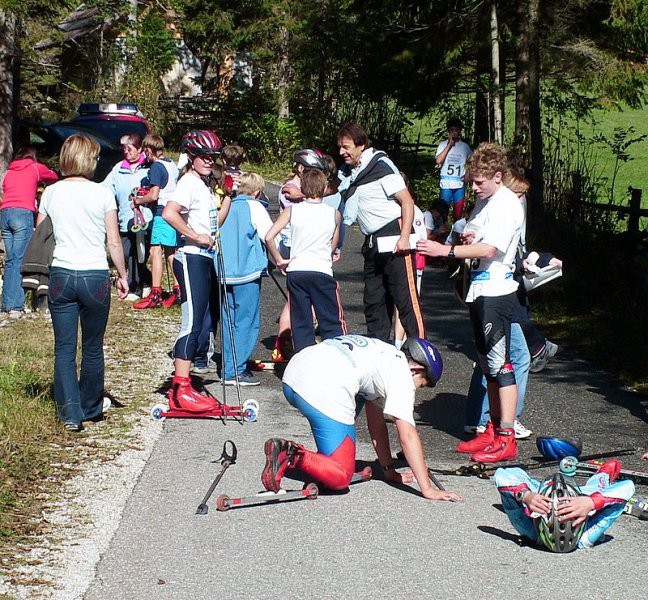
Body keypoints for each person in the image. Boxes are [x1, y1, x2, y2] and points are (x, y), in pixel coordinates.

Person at [417, 142, 524, 463]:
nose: (473, 187)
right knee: (488, 363)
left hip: (497, 292)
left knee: (501, 364)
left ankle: (507, 435)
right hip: (480, 291)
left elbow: (490, 249)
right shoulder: (487, 201)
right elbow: (476, 231)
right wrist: (466, 237)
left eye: (479, 182)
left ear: (498, 176)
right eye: (471, 182)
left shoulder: (507, 204)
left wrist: (444, 252)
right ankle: (492, 429)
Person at [261, 333, 462, 502]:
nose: (418, 389)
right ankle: (291, 454)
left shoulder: (383, 352)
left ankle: (323, 466)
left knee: (353, 406)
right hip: (322, 384)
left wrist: (389, 471)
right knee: (341, 477)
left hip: (293, 374)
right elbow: (407, 435)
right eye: (422, 384)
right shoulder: (401, 372)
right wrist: (427, 488)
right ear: (417, 370)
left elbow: (376, 425)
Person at [36, 134, 128, 432]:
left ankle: (70, 413)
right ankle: (90, 406)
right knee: (92, 347)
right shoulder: (102, 193)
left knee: (64, 348)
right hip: (94, 275)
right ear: (89, 160)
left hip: (62, 273)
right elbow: (113, 240)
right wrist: (123, 275)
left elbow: (42, 234)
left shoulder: (50, 193)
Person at [161, 130, 232, 410]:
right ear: (191, 156)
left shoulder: (203, 184)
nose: (208, 161)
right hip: (190, 257)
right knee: (191, 323)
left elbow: (213, 225)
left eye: (212, 157)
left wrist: (228, 196)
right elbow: (169, 213)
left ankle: (186, 385)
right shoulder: (188, 182)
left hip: (204, 257)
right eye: (203, 156)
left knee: (200, 320)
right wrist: (193, 235)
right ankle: (180, 388)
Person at [337, 123, 425, 343]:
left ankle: (422, 356)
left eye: (346, 147)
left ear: (361, 145)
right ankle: (378, 353)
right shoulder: (352, 172)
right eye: (340, 147)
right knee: (374, 301)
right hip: (372, 241)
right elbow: (331, 191)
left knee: (405, 300)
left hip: (394, 235)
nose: (341, 152)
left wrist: (404, 237)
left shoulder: (381, 165)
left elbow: (407, 201)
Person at [266, 168, 346, 353]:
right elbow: (333, 245)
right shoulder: (334, 214)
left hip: (297, 269)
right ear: (325, 187)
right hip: (321, 269)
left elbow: (269, 236)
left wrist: (279, 259)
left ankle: (302, 361)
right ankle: (335, 359)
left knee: (301, 321)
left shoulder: (292, 210)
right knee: (331, 320)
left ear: (302, 187)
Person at [494, 460, 635, 550]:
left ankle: (600, 479)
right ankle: (603, 474)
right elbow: (627, 487)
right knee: (599, 483)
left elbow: (502, 474)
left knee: (518, 476)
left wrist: (525, 495)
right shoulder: (586, 536)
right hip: (582, 495)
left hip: (540, 491)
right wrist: (591, 502)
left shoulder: (530, 530)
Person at [272, 149, 331, 361]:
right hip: (294, 245)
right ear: (300, 168)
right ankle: (284, 343)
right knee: (296, 302)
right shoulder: (291, 188)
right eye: (311, 170)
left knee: (298, 300)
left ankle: (291, 343)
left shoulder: (301, 188)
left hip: (299, 245)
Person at [218, 172, 273, 386]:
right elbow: (268, 235)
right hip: (246, 271)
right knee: (247, 322)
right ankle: (236, 370)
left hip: (224, 271)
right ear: (257, 192)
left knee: (229, 321)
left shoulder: (226, 204)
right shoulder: (254, 206)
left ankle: (228, 366)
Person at [1, 147, 58, 315]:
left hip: (4, 213)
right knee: (20, 260)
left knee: (10, 259)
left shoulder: (9, 171)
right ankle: (17, 305)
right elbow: (53, 176)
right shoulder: (34, 167)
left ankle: (7, 303)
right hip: (23, 212)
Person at [131, 135, 181, 309]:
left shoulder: (156, 167)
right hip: (174, 212)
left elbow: (154, 195)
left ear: (149, 149)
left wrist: (138, 200)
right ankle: (178, 289)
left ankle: (156, 292)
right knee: (170, 251)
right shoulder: (171, 165)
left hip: (161, 212)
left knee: (155, 250)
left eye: (146, 150)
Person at [102, 133, 151, 300]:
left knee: (139, 255)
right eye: (124, 149)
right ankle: (145, 281)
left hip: (144, 220)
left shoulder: (149, 167)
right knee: (126, 253)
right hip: (125, 220)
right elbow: (106, 188)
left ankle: (134, 287)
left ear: (140, 149)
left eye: (130, 149)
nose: (126, 152)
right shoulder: (119, 168)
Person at [435, 117, 472, 221]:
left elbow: (471, 162)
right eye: (452, 130)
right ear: (448, 131)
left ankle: (455, 234)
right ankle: (441, 234)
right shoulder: (443, 145)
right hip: (446, 183)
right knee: (442, 212)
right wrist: (449, 146)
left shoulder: (465, 147)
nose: (454, 133)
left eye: (457, 130)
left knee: (458, 214)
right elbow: (438, 160)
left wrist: (468, 174)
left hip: (459, 184)